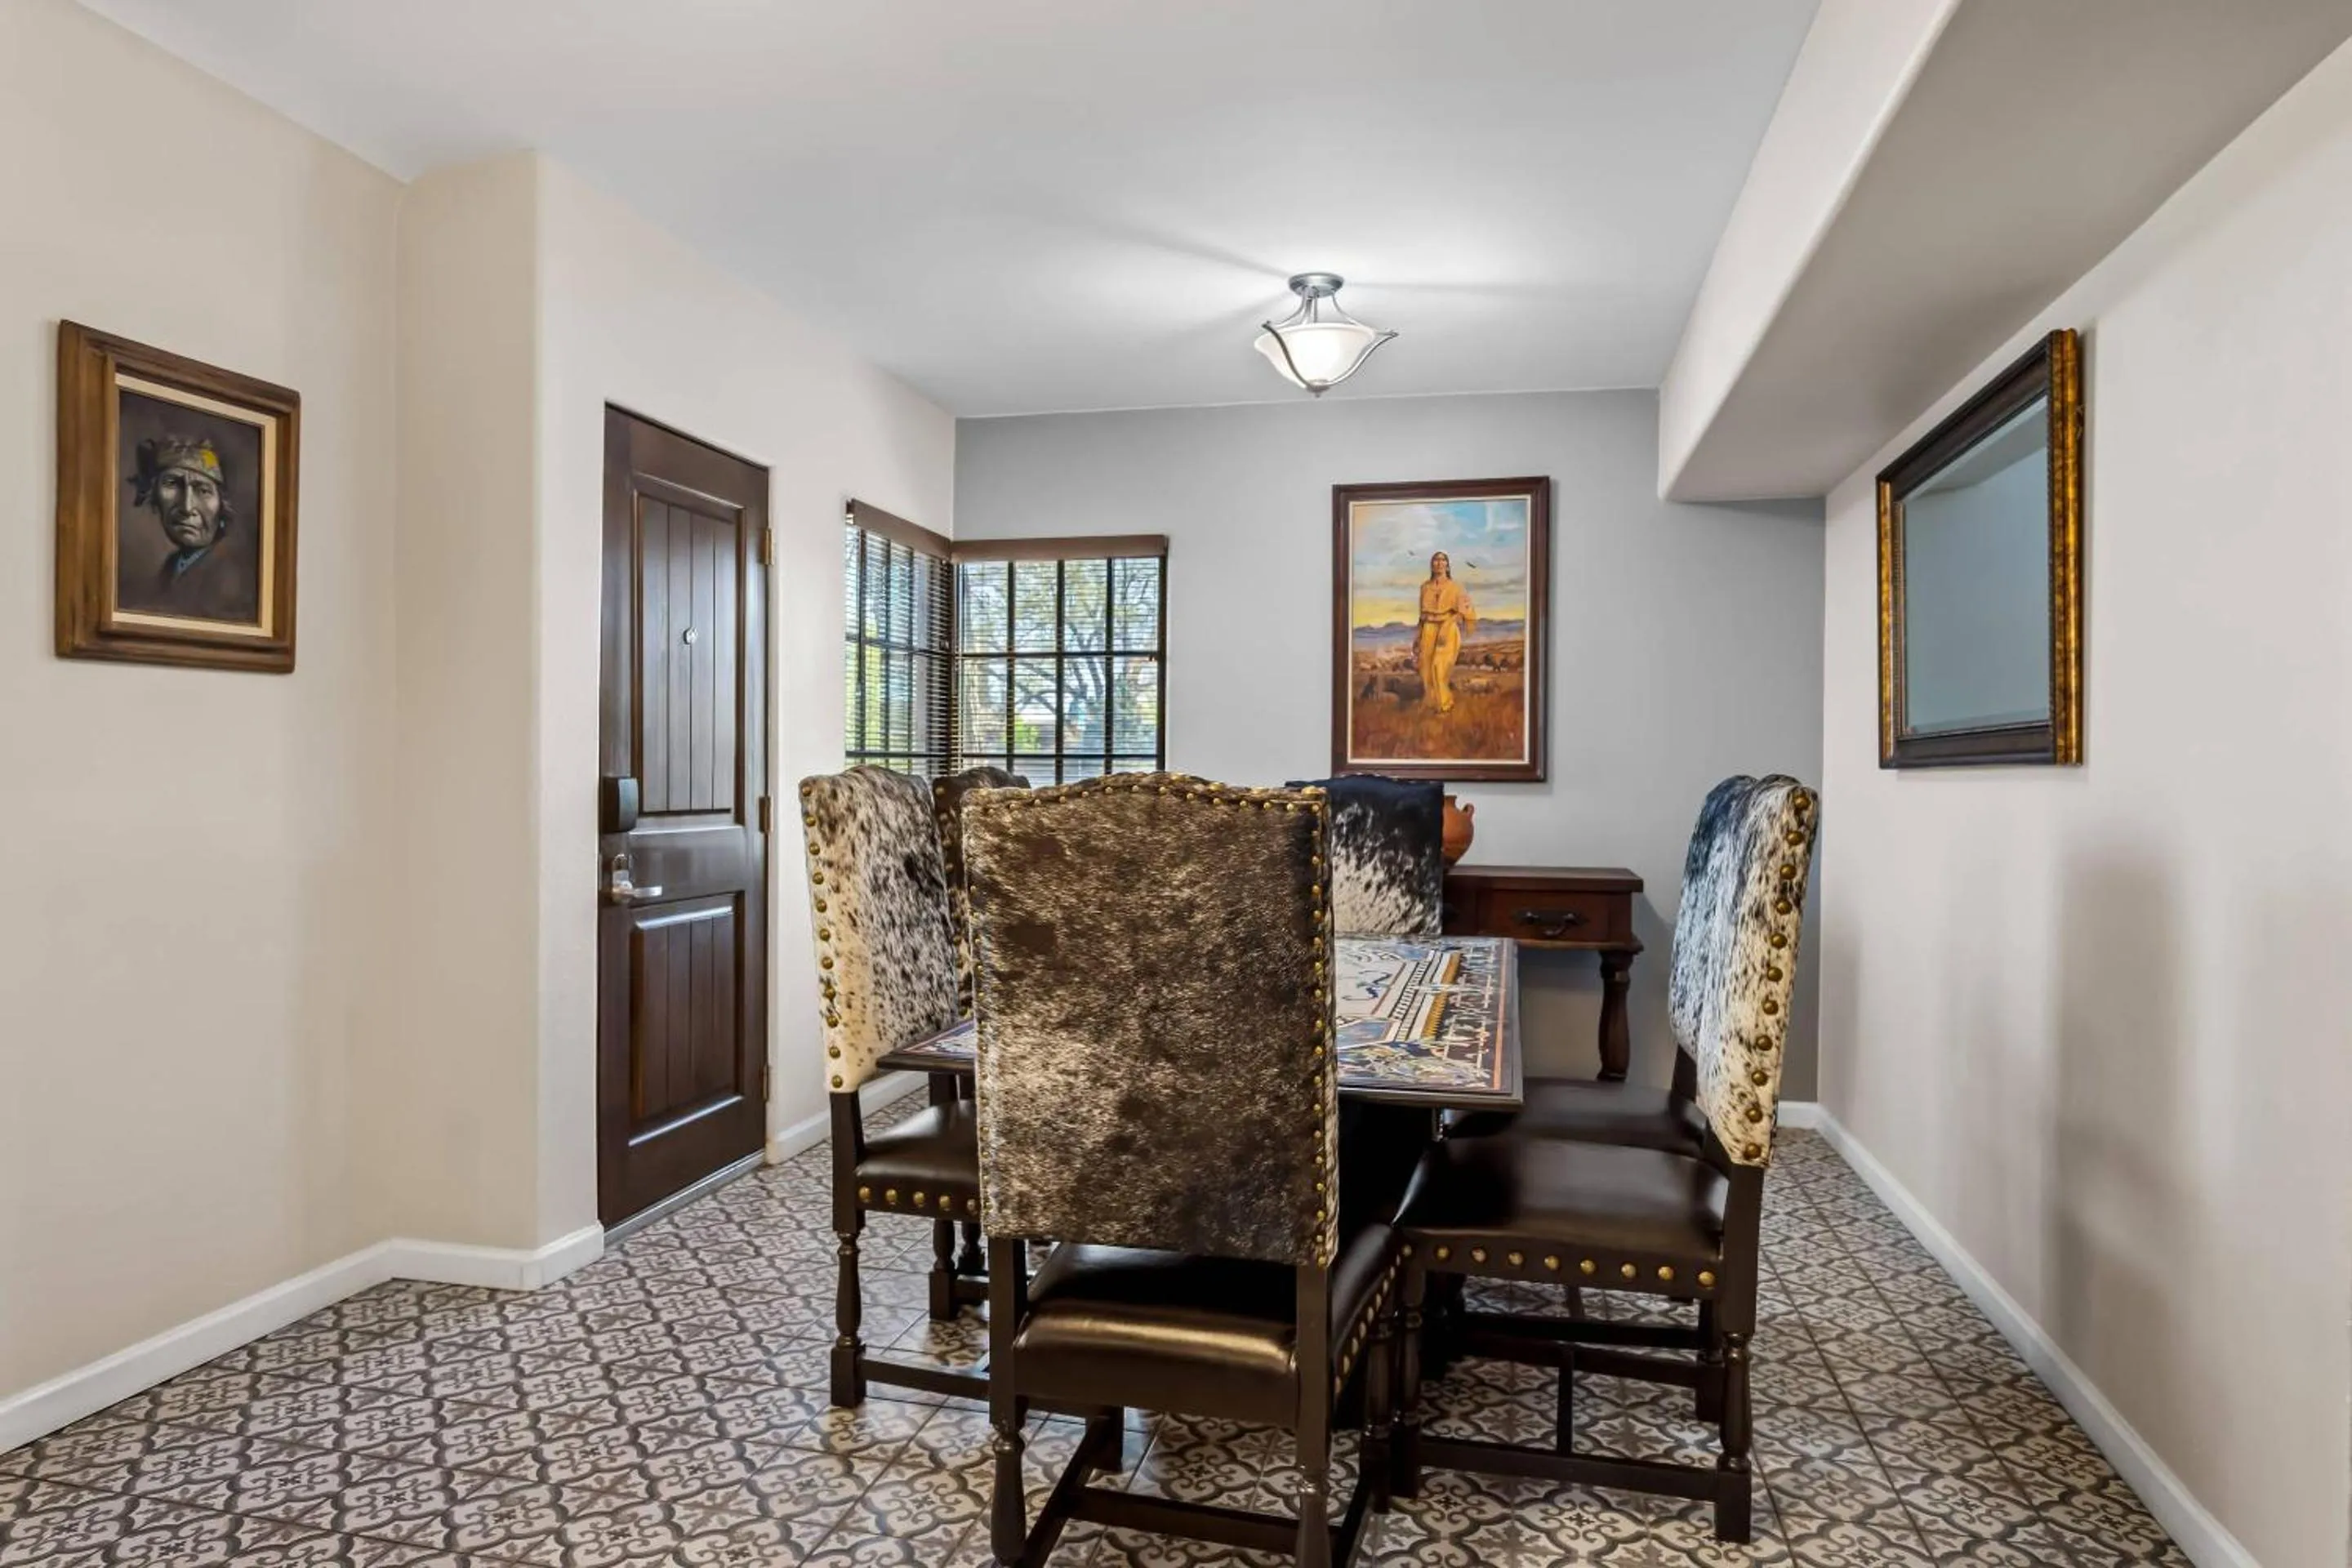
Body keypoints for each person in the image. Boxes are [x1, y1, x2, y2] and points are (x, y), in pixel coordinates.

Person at [118, 434, 259, 624]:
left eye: (203, 490)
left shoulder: (233, 577)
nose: (187, 507)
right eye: (172, 484)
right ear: (154, 494)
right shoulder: (171, 567)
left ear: (222, 505)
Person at [1414, 550, 1477, 714]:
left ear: (1447, 566)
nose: (1439, 563)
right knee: (1426, 669)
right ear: (1431, 565)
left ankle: (1445, 706)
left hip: (1448, 627)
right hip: (1428, 628)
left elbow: (1463, 611)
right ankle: (1431, 703)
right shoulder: (1425, 587)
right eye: (1436, 560)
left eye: (1442, 560)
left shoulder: (1456, 587)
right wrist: (1418, 636)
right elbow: (1422, 616)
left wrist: (1447, 625)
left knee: (1439, 668)